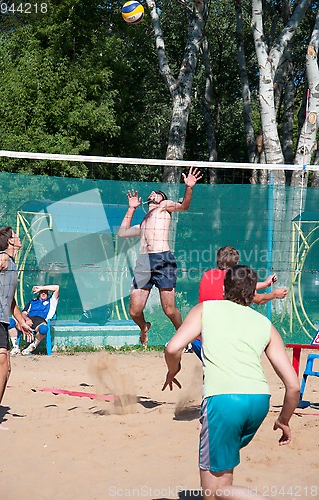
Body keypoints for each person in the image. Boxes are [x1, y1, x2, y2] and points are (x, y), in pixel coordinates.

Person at [163, 265, 300, 500]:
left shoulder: (205, 309)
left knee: (213, 492)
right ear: (252, 293)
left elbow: (172, 348)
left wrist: (172, 370)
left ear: (224, 287)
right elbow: (294, 386)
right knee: (222, 477)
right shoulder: (264, 324)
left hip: (224, 401)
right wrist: (283, 420)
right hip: (258, 402)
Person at [118, 166, 202, 347]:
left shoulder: (163, 208)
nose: (153, 194)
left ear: (162, 199)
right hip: (144, 262)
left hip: (162, 258)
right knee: (134, 311)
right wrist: (131, 209)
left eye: (157, 193)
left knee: (169, 309)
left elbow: (184, 206)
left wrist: (189, 188)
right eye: (152, 194)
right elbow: (122, 232)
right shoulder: (144, 222)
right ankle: (144, 326)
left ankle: (188, 339)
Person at [191, 245, 288, 360]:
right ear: (236, 265)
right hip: (220, 342)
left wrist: (265, 284)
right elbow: (259, 300)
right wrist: (274, 295)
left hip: (198, 340)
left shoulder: (208, 275)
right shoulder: (232, 279)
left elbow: (236, 286)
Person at [0, 226, 33, 430]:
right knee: (2, 367)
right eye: (16, 235)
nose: (19, 236)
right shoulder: (2, 258)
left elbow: (10, 299)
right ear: (10, 241)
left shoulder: (11, 263)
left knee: (6, 369)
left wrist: (21, 320)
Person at [9, 284, 59, 356]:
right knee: (11, 321)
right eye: (41, 292)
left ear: (48, 293)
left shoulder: (51, 302)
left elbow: (57, 288)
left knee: (44, 329)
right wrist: (26, 319)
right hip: (28, 320)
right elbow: (24, 313)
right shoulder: (32, 302)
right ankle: (15, 347)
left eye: (45, 291)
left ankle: (32, 346)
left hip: (40, 321)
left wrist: (41, 288)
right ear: (39, 293)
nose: (43, 293)